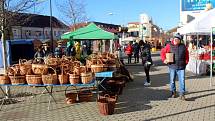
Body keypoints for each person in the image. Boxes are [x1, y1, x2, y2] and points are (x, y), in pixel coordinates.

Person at [160, 33, 189, 100]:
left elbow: (187, 55)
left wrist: (186, 62)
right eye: (175, 39)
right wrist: (164, 59)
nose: (176, 40)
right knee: (172, 80)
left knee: (182, 80)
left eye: (177, 39)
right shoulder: (169, 46)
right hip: (172, 66)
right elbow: (162, 52)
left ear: (180, 40)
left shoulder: (183, 46)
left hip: (181, 67)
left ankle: (182, 94)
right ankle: (173, 92)